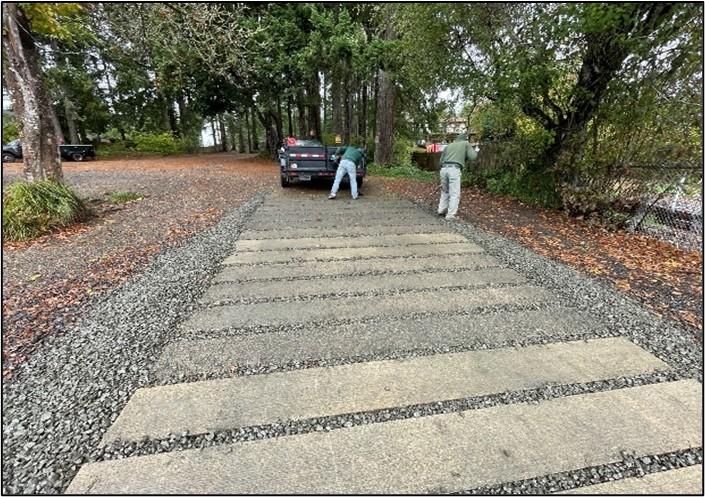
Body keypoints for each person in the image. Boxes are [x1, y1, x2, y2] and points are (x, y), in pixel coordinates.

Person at [437, 133, 478, 220]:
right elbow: (473, 157)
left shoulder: (449, 145)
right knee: (454, 193)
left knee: (445, 191)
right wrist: (475, 150)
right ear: (465, 139)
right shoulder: (465, 143)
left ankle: (441, 210)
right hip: (454, 169)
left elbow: (440, 161)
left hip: (443, 169)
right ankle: (450, 215)